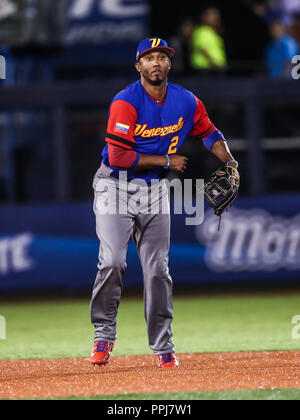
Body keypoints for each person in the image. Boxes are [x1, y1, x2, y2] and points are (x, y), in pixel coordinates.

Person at [89, 37, 239, 369]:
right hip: (115, 187)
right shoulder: (125, 102)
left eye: (162, 56)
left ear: (169, 63)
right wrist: (165, 161)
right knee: (113, 260)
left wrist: (230, 162)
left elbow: (210, 133)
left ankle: (163, 346)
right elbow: (117, 156)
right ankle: (103, 334)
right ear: (138, 66)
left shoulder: (186, 101)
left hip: (155, 191)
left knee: (158, 270)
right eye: (148, 58)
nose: (155, 62)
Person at [190, 7, 227, 73]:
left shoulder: (213, 32)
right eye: (211, 14)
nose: (215, 17)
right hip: (205, 71)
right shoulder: (202, 31)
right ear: (204, 17)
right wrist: (215, 65)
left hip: (214, 70)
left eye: (216, 14)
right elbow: (203, 50)